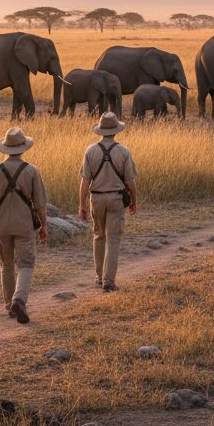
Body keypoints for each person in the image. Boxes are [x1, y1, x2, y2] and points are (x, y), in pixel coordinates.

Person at [0, 127, 48, 324]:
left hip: (1, 225)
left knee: (6, 266)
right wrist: (44, 225)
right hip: (24, 224)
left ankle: (10, 307)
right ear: (23, 148)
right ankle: (19, 299)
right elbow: (40, 205)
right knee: (26, 264)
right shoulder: (31, 170)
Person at [79, 112, 138, 292]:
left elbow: (85, 181)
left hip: (96, 198)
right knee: (113, 239)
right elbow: (130, 181)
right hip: (116, 199)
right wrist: (134, 200)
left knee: (98, 235)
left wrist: (82, 204)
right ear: (116, 130)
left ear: (101, 130)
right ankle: (109, 281)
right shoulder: (123, 151)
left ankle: (98, 276)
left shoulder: (90, 150)